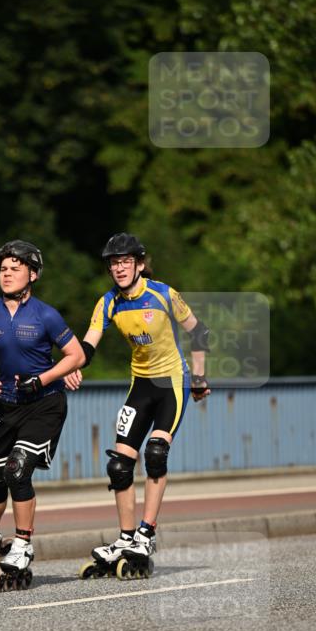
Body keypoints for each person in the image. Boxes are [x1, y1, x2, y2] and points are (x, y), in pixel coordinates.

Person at [66, 232, 210, 573]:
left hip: (172, 382)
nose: (119, 268)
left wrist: (200, 378)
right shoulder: (108, 303)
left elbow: (199, 331)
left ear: (140, 265)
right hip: (141, 385)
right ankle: (126, 537)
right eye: (114, 263)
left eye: (125, 262)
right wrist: (70, 368)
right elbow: (88, 345)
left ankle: (147, 533)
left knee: (156, 454)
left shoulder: (163, 294)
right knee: (119, 465)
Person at [0, 240, 85, 590]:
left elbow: (75, 355)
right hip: (6, 406)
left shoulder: (46, 315)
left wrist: (43, 378)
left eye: (15, 268)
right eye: (2, 268)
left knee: (17, 469)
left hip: (45, 404)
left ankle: (23, 543)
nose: (6, 274)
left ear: (33, 274)